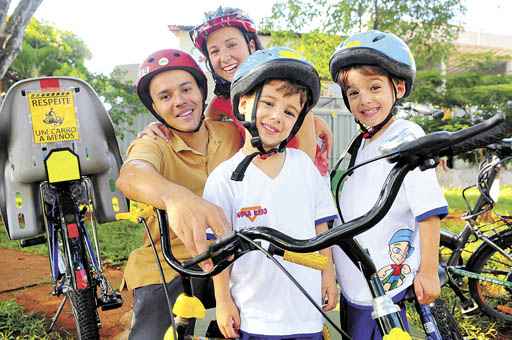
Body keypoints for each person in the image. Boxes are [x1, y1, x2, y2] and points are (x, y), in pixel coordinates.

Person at [202, 47, 338, 339]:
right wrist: (224, 301)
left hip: (306, 313)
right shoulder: (223, 178)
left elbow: (321, 227)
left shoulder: (303, 166)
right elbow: (219, 251)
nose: (277, 116)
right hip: (255, 317)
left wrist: (329, 274)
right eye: (268, 103)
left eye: (289, 111)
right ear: (242, 105)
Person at [328, 30, 449, 340]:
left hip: (384, 288)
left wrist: (427, 270)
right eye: (353, 93)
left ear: (398, 87)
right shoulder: (361, 143)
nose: (365, 99)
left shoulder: (407, 137)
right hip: (356, 286)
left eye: (375, 87)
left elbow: (428, 210)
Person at [116, 48, 241, 339]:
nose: (180, 102)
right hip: (172, 261)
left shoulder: (231, 134)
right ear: (155, 109)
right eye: (165, 97)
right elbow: (132, 174)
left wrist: (313, 121)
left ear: (201, 90)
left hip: (235, 254)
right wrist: (176, 197)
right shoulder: (154, 143)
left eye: (186, 89)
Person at [140, 6, 333, 176]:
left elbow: (306, 159)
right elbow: (202, 125)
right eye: (214, 51)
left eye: (231, 45)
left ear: (250, 45)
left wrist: (313, 119)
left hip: (300, 180)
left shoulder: (284, 89)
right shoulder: (222, 101)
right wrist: (165, 126)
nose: (224, 57)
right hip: (259, 179)